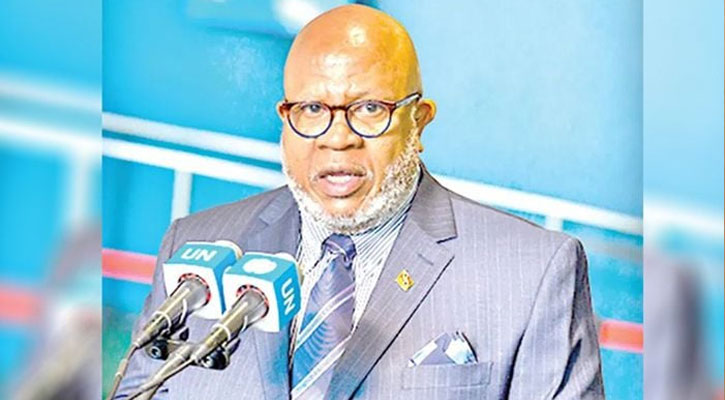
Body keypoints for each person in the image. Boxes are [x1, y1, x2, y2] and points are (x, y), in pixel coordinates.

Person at [115, 4, 604, 399]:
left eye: (370, 109)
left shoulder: (531, 273)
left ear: (419, 121)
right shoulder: (196, 248)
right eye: (312, 109)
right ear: (284, 120)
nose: (338, 138)